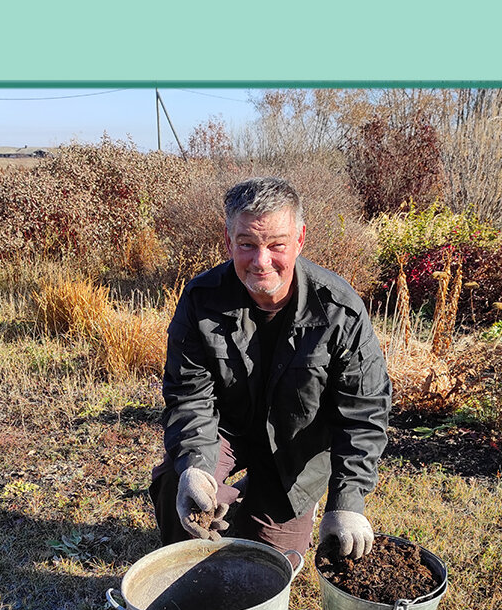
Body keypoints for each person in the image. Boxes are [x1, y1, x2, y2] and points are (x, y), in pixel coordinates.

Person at [149, 177, 391, 560]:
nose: (261, 261)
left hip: (298, 448)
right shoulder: (201, 300)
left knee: (269, 560)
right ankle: (192, 558)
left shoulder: (339, 310)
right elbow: (188, 395)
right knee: (179, 487)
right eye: (247, 244)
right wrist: (196, 463)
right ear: (228, 242)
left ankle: (270, 503)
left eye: (276, 245)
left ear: (299, 239)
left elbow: (363, 413)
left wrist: (347, 502)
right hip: (226, 432)